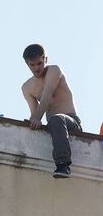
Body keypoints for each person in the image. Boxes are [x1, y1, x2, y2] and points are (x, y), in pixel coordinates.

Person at [21, 44, 82, 179]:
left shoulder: (54, 70)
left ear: (45, 59)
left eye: (39, 63)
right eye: (32, 65)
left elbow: (47, 95)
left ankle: (63, 164)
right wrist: (33, 121)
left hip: (71, 122)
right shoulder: (26, 88)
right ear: (27, 64)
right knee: (51, 121)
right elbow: (34, 113)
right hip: (54, 127)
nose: (36, 68)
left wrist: (36, 117)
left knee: (56, 118)